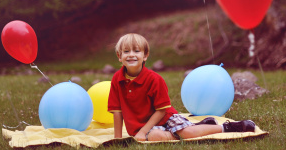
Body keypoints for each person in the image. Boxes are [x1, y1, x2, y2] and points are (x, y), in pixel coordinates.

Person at [107, 33, 256, 141]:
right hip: (143, 127)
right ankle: (200, 126)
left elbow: (161, 110)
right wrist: (118, 139)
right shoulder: (117, 79)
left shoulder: (154, 79)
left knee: (187, 134)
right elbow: (117, 111)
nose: (131, 55)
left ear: (145, 55)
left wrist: (143, 131)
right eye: (126, 51)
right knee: (156, 137)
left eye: (136, 51)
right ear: (119, 56)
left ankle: (229, 127)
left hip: (166, 118)